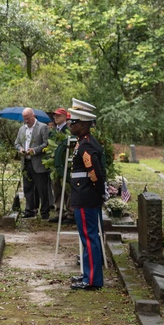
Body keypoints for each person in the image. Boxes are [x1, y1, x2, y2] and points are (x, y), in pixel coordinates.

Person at [68, 105, 105, 290]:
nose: (69, 125)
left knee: (90, 238)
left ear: (82, 125)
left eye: (73, 122)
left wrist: (98, 192)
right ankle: (88, 274)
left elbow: (95, 173)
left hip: (86, 196)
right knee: (87, 238)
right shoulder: (83, 141)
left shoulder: (86, 144)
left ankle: (92, 280)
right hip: (85, 195)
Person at [15, 107, 51, 219]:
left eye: (28, 118)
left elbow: (46, 144)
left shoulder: (43, 127)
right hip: (26, 162)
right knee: (28, 188)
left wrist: (34, 150)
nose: (26, 121)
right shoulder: (22, 129)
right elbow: (17, 143)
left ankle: (45, 212)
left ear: (33, 116)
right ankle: (29, 210)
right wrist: (20, 149)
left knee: (42, 188)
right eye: (24, 119)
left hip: (38, 162)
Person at [48, 108, 73, 224]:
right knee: (56, 188)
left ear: (64, 117)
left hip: (65, 165)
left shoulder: (68, 130)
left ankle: (70, 213)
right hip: (55, 166)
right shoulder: (53, 131)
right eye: (54, 116)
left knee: (67, 189)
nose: (55, 117)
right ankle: (59, 212)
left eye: (58, 116)